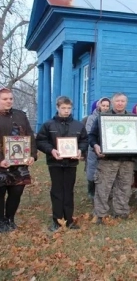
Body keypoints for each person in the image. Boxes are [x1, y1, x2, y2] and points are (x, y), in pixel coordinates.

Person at [88, 92, 137, 224]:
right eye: (117, 101)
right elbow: (92, 136)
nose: (120, 103)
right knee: (103, 187)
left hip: (127, 159)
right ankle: (100, 213)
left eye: (123, 101)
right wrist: (96, 146)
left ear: (126, 103)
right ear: (113, 102)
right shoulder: (103, 117)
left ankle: (121, 211)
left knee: (124, 186)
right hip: (107, 160)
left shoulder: (134, 119)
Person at [36, 96, 88, 231]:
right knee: (57, 191)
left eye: (69, 108)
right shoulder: (48, 125)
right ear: (57, 108)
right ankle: (57, 220)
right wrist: (51, 150)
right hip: (55, 163)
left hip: (71, 163)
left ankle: (69, 220)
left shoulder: (78, 125)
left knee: (69, 191)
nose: (66, 111)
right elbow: (40, 141)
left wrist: (80, 150)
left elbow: (84, 140)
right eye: (63, 108)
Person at [0, 87, 37, 233]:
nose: (9, 101)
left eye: (11, 98)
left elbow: (30, 136)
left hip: (19, 164)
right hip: (2, 164)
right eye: (5, 99)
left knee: (16, 192)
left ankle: (10, 219)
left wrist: (32, 155)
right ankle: (1, 221)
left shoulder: (20, 115)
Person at [85, 97, 111, 200]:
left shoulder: (111, 116)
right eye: (103, 105)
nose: (105, 107)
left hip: (108, 148)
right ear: (99, 106)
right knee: (92, 169)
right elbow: (89, 132)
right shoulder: (92, 118)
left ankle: (104, 192)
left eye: (107, 106)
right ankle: (91, 189)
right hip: (94, 147)